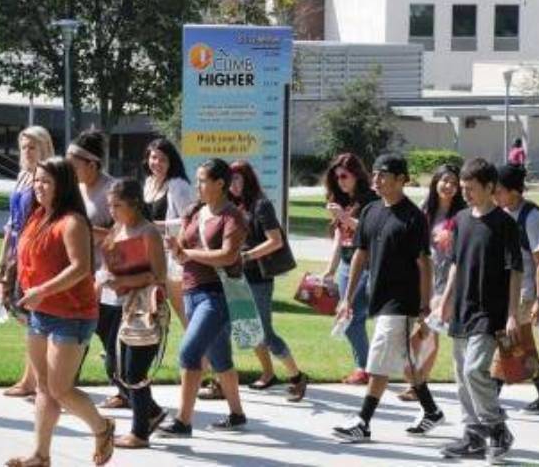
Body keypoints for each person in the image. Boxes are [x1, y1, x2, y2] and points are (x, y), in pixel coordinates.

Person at [8, 157, 114, 467]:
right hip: (41, 312)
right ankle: (40, 456)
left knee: (60, 388)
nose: (38, 187)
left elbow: (80, 268)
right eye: (37, 180)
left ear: (62, 186)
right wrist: (10, 282)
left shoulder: (72, 222)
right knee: (43, 386)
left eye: (46, 182)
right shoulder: (37, 215)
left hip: (73, 314)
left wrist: (41, 291)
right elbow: (26, 256)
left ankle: (102, 427)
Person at [333, 153, 445, 443]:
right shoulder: (371, 211)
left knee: (379, 356)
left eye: (383, 175)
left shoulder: (414, 217)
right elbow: (360, 254)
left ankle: (363, 421)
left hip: (403, 300)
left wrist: (424, 304)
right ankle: (431, 410)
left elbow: (424, 263)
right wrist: (346, 297)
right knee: (406, 363)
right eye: (374, 174)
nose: (376, 180)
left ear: (401, 180)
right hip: (379, 296)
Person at [435, 158, 522, 461]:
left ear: (489, 187)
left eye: (471, 189)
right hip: (462, 308)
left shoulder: (505, 223)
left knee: (474, 370)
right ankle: (473, 436)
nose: (466, 194)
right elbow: (456, 265)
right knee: (461, 374)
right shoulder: (460, 219)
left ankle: (497, 427)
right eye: (463, 189)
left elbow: (515, 270)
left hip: (491, 311)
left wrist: (512, 313)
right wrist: (444, 303)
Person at [158, 158, 249, 437]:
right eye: (197, 180)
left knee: (189, 352)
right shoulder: (196, 213)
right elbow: (182, 251)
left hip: (216, 295)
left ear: (220, 184)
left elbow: (228, 255)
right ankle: (237, 415)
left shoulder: (232, 216)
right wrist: (175, 248)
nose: (197, 185)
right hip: (191, 291)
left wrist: (190, 254)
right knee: (220, 357)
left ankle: (183, 422)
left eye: (202, 180)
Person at [229, 160, 308, 402]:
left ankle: (297, 377)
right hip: (237, 277)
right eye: (229, 180)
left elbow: (275, 240)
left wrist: (247, 256)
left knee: (264, 332)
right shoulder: (232, 206)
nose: (232, 185)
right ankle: (268, 373)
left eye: (237, 179)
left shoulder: (261, 205)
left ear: (247, 180)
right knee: (246, 329)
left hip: (258, 278)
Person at [102, 179, 169, 449]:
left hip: (145, 310)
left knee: (135, 371)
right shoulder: (118, 228)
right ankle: (152, 413)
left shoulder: (148, 232)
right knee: (119, 369)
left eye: (117, 205)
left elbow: (159, 275)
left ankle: (140, 433)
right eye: (109, 205)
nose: (112, 211)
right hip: (124, 305)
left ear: (134, 203)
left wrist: (125, 281)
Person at [66, 130, 126, 410]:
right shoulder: (76, 189)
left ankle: (125, 390)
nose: (69, 167)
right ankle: (64, 386)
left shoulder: (111, 191)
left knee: (111, 336)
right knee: (77, 333)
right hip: (82, 275)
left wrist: (85, 230)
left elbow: (125, 231)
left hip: (109, 278)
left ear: (92, 164)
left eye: (74, 162)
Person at [0, 126, 54, 399]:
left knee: (34, 318)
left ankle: (38, 380)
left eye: (32, 147)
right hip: (17, 251)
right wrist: (2, 259)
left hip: (34, 254)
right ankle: (32, 378)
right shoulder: (21, 178)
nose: (26, 152)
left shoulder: (46, 179)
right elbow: (10, 223)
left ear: (44, 148)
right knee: (25, 317)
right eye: (23, 147)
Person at [398, 163, 466, 402]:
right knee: (422, 333)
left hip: (448, 282)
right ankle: (416, 380)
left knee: (427, 332)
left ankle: (418, 383)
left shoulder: (462, 215)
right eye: (444, 180)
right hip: (423, 279)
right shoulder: (424, 210)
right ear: (435, 182)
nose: (448, 186)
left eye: (453, 182)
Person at [495, 162, 539, 413]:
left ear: (514, 191)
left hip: (525, 291)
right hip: (508, 288)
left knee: (506, 342)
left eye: (498, 190)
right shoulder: (503, 212)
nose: (494, 194)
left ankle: (490, 394)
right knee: (521, 344)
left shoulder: (532, 217)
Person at [321, 152, 378, 385]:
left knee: (354, 317)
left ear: (356, 175)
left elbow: (371, 230)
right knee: (348, 318)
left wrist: (344, 216)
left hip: (367, 264)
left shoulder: (370, 199)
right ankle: (364, 367)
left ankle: (366, 367)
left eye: (344, 176)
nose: (341, 181)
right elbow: (339, 238)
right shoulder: (343, 200)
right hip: (346, 263)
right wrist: (330, 269)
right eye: (337, 178)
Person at [142, 137, 196, 326]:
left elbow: (190, 222)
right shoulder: (148, 183)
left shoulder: (178, 185)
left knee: (182, 311)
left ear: (171, 162)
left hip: (173, 259)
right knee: (152, 310)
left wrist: (159, 225)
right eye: (153, 157)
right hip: (150, 257)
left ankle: (202, 354)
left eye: (162, 159)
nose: (156, 163)